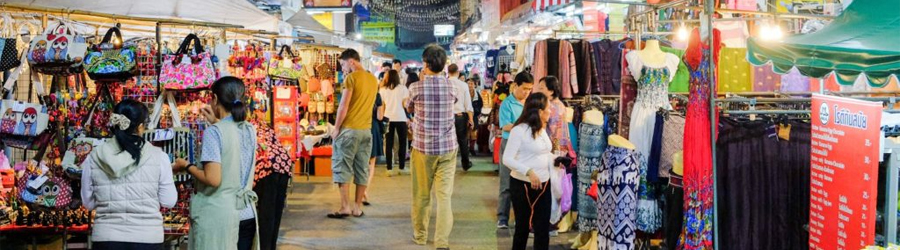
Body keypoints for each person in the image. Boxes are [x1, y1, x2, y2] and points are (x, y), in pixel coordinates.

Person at [173, 76, 258, 250]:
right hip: (246, 212)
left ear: (216, 99)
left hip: (220, 216)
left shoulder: (214, 133)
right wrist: (216, 122)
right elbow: (232, 139)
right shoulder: (249, 129)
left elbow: (213, 179)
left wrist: (186, 165)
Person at [80, 99, 176, 250]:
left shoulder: (93, 157)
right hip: (148, 238)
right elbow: (168, 201)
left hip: (106, 238)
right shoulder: (159, 157)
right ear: (140, 126)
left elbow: (88, 203)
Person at [503, 93, 571, 250]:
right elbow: (507, 159)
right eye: (548, 109)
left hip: (544, 185)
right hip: (523, 186)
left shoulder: (541, 129)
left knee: (542, 229)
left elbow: (542, 153)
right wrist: (529, 172)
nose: (551, 112)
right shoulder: (519, 130)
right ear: (540, 111)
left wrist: (556, 160)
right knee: (523, 228)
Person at [407, 44, 457, 250]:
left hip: (423, 148)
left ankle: (420, 236)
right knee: (444, 196)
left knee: (421, 194)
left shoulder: (415, 88)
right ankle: (442, 242)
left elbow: (409, 107)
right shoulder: (453, 86)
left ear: (425, 64)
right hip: (447, 147)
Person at [327, 48, 377, 219]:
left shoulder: (351, 78)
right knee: (362, 168)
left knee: (343, 167)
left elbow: (344, 105)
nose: (343, 69)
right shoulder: (373, 79)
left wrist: (336, 128)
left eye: (343, 64)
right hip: (366, 131)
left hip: (349, 130)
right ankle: (357, 208)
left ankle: (345, 207)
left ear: (351, 61)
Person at [496, 72, 534, 229]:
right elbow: (505, 126)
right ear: (515, 85)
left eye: (530, 89)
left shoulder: (531, 102)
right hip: (509, 144)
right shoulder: (507, 103)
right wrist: (524, 126)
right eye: (524, 88)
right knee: (506, 183)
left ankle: (522, 217)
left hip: (526, 146)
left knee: (523, 183)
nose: (527, 92)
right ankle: (502, 217)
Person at [379, 69, 410, 176]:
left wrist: (381, 119)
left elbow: (382, 106)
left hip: (388, 118)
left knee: (389, 143)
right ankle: (402, 167)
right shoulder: (403, 88)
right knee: (402, 143)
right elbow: (405, 105)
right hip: (401, 118)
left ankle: (389, 169)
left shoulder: (382, 90)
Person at [533, 76, 571, 154]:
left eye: (541, 88)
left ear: (551, 91)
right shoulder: (561, 105)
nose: (538, 91)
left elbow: (541, 127)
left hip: (550, 147)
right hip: (562, 146)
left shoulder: (547, 106)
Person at [447, 64, 474, 170]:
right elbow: (468, 104)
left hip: (446, 117)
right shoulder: (463, 85)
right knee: (462, 140)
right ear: (458, 73)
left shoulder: (445, 84)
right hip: (460, 117)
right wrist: (471, 119)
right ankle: (465, 164)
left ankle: (448, 164)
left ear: (448, 72)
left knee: (448, 141)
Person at [364, 92, 384, 205]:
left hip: (360, 126)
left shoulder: (357, 92)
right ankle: (365, 190)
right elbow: (379, 117)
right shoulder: (376, 95)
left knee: (360, 163)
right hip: (373, 128)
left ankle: (361, 190)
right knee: (371, 164)